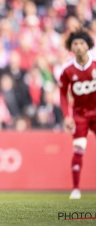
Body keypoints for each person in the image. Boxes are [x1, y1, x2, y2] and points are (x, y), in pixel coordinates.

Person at [59, 29, 95, 199]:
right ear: (71, 48)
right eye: (75, 44)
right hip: (80, 115)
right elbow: (62, 94)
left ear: (88, 46)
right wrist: (67, 115)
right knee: (79, 147)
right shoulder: (67, 70)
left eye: (82, 43)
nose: (79, 46)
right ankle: (75, 189)